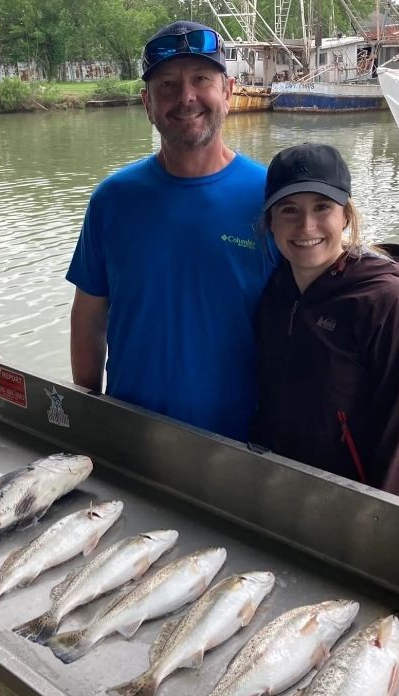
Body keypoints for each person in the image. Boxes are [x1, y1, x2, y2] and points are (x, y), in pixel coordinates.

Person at [66, 21, 274, 442]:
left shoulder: (272, 198)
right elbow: (88, 319)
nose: (186, 98)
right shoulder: (112, 199)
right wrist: (88, 416)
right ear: (147, 102)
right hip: (131, 432)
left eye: (201, 79)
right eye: (167, 85)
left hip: (242, 445)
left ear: (228, 92)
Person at [251, 143, 399, 497]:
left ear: (346, 216)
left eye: (323, 208)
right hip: (278, 486)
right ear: (270, 221)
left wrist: (374, 521)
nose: (306, 226)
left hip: (346, 501)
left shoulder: (393, 306)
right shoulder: (277, 288)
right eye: (289, 210)